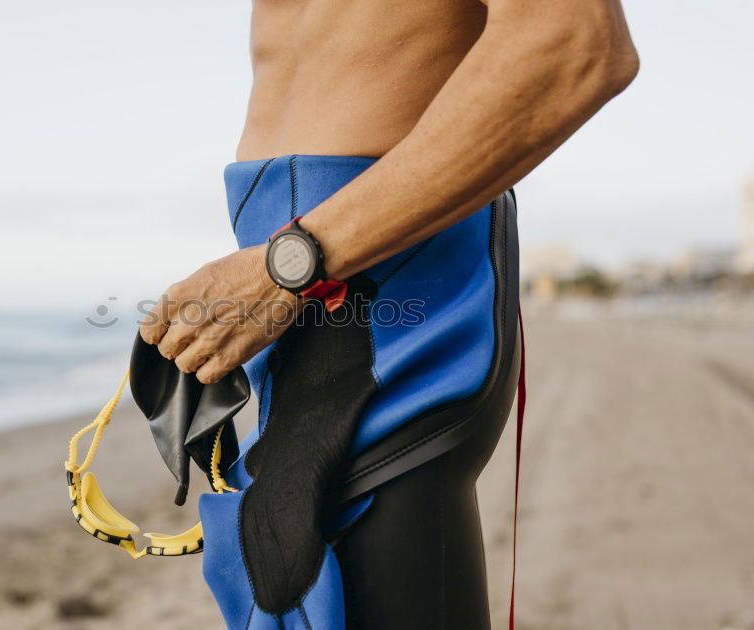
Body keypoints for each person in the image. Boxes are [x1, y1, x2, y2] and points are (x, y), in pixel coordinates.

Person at [138, 0, 638, 627]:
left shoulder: (299, 264)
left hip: (384, 274)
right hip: (295, 279)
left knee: (338, 560)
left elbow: (575, 45)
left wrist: (287, 265)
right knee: (279, 565)